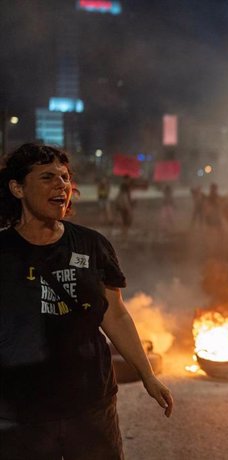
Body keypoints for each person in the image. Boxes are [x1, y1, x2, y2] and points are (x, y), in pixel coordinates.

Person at [0, 143, 173, 459]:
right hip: (21, 412)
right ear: (17, 188)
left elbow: (116, 315)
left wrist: (148, 374)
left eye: (65, 177)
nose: (61, 186)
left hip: (90, 404)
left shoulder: (93, 245)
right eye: (47, 177)